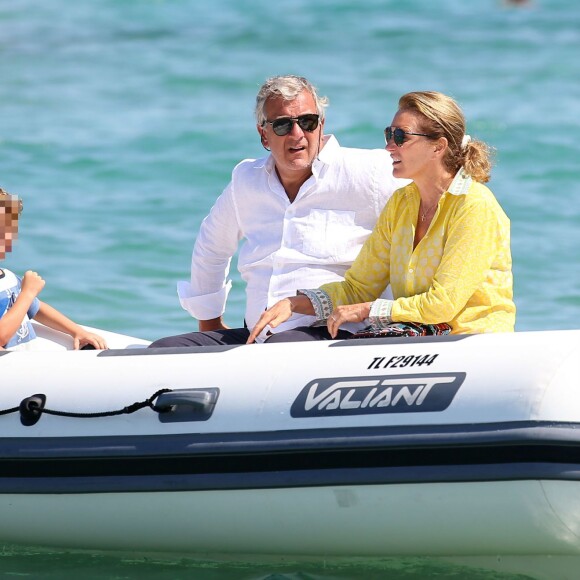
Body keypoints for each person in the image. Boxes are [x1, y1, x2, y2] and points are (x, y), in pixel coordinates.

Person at [150, 75, 406, 347]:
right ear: (264, 135)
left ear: (321, 125)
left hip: (336, 332)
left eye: (307, 122)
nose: (297, 134)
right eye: (283, 125)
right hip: (258, 336)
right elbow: (212, 247)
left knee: (282, 347)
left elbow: (438, 177)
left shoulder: (369, 171)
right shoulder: (246, 179)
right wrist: (209, 320)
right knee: (163, 350)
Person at [248, 91, 516, 343]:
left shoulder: (474, 205)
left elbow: (443, 304)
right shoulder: (401, 203)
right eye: (389, 134)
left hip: (476, 344)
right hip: (421, 341)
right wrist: (295, 303)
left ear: (438, 146)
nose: (389, 146)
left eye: (401, 136)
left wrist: (368, 310)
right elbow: (358, 287)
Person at [0, 188, 108, 350]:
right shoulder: (22, 290)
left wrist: (77, 331)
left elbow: (37, 308)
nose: (9, 239)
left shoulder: (8, 277)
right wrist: (27, 293)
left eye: (10, 232)